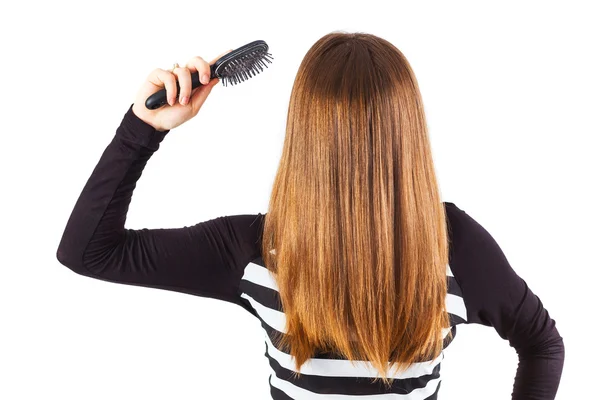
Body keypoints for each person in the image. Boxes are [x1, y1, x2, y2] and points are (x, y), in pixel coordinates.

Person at [56, 32, 565, 399]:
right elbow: (87, 253)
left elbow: (542, 344)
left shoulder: (452, 245)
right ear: (407, 132)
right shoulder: (258, 248)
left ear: (304, 135)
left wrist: (141, 132)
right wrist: (143, 126)